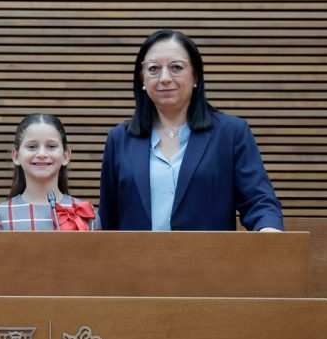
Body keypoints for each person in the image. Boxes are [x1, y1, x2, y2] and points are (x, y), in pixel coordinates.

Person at [98, 29, 282, 232]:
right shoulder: (119, 139)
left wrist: (268, 230)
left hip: (209, 253)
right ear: (142, 78)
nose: (164, 78)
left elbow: (259, 201)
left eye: (176, 67)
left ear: (195, 75)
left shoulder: (231, 134)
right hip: (137, 253)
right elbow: (108, 219)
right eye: (154, 68)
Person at [0, 114, 96, 231]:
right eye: (32, 147)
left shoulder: (86, 213)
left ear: (65, 156)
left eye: (51, 146)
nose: (42, 154)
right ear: (16, 156)